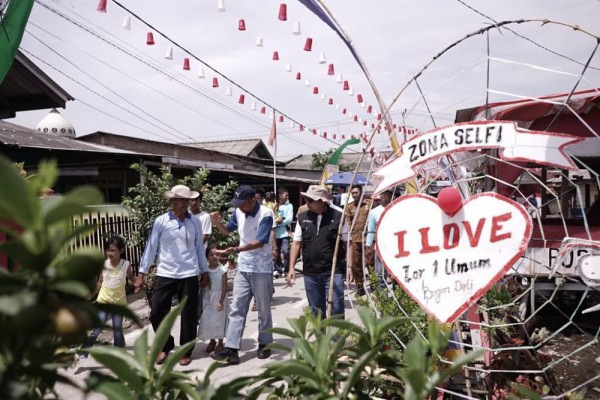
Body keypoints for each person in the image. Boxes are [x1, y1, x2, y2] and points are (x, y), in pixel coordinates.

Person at [134, 184, 209, 367]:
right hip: (166, 273)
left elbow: (199, 248)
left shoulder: (195, 222)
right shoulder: (161, 221)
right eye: (181, 200)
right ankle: (166, 344)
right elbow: (151, 247)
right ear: (173, 201)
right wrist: (142, 273)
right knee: (157, 312)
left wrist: (204, 270)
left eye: (187, 200)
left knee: (189, 314)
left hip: (189, 273)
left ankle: (186, 350)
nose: (184, 203)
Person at [210, 185, 276, 365]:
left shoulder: (266, 214)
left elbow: (261, 241)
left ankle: (265, 343)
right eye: (236, 203)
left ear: (253, 200)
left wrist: (236, 249)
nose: (239, 207)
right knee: (237, 307)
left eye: (242, 203)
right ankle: (231, 349)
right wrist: (217, 223)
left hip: (261, 268)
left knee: (263, 308)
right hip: (244, 266)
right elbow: (228, 230)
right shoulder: (238, 212)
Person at [287, 185, 345, 318]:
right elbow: (296, 243)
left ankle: (337, 339)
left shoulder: (339, 216)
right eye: (306, 199)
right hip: (310, 272)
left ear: (322, 201)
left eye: (310, 200)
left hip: (333, 271)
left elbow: (348, 242)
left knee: (336, 309)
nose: (307, 203)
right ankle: (321, 339)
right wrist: (291, 268)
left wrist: (350, 266)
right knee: (316, 311)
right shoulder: (302, 217)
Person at [79, 235, 133, 358]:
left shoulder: (126, 265)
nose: (109, 253)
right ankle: (83, 353)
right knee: (97, 329)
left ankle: (119, 353)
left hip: (119, 304)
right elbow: (99, 283)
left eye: (113, 250)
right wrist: (90, 296)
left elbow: (131, 278)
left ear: (121, 250)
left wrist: (138, 282)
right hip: (103, 302)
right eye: (107, 250)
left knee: (117, 330)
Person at [198, 243, 229, 354]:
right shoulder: (205, 270)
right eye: (211, 255)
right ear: (207, 257)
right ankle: (212, 340)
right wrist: (204, 283)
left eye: (216, 254)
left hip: (219, 297)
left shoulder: (222, 270)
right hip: (208, 297)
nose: (214, 257)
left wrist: (221, 301)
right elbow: (201, 284)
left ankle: (220, 342)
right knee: (208, 318)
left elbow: (225, 286)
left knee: (219, 320)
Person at [189, 191, 212, 320]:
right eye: (192, 199)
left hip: (200, 256)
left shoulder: (205, 217)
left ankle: (198, 314)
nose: (194, 202)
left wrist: (190, 249)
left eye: (197, 199)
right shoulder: (184, 216)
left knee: (200, 286)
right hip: (185, 258)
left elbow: (204, 237)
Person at [345, 185, 371, 296]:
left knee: (370, 261)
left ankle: (374, 284)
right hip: (355, 238)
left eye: (356, 192)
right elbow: (348, 222)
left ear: (361, 193)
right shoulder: (349, 207)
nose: (354, 195)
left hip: (367, 236)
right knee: (356, 263)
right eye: (353, 193)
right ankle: (360, 286)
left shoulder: (369, 203)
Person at [365, 189, 393, 289]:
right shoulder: (374, 212)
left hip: (397, 247)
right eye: (382, 193)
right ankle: (383, 301)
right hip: (381, 248)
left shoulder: (397, 209)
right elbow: (371, 230)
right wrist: (368, 246)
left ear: (391, 194)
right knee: (380, 274)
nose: (384, 195)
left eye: (386, 193)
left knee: (397, 276)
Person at [273, 187, 293, 279]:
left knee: (286, 251)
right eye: (286, 195)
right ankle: (278, 270)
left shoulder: (289, 206)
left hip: (284, 232)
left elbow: (289, 218)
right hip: (274, 233)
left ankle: (287, 270)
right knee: (276, 252)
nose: (287, 197)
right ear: (280, 196)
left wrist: (280, 222)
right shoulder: (274, 206)